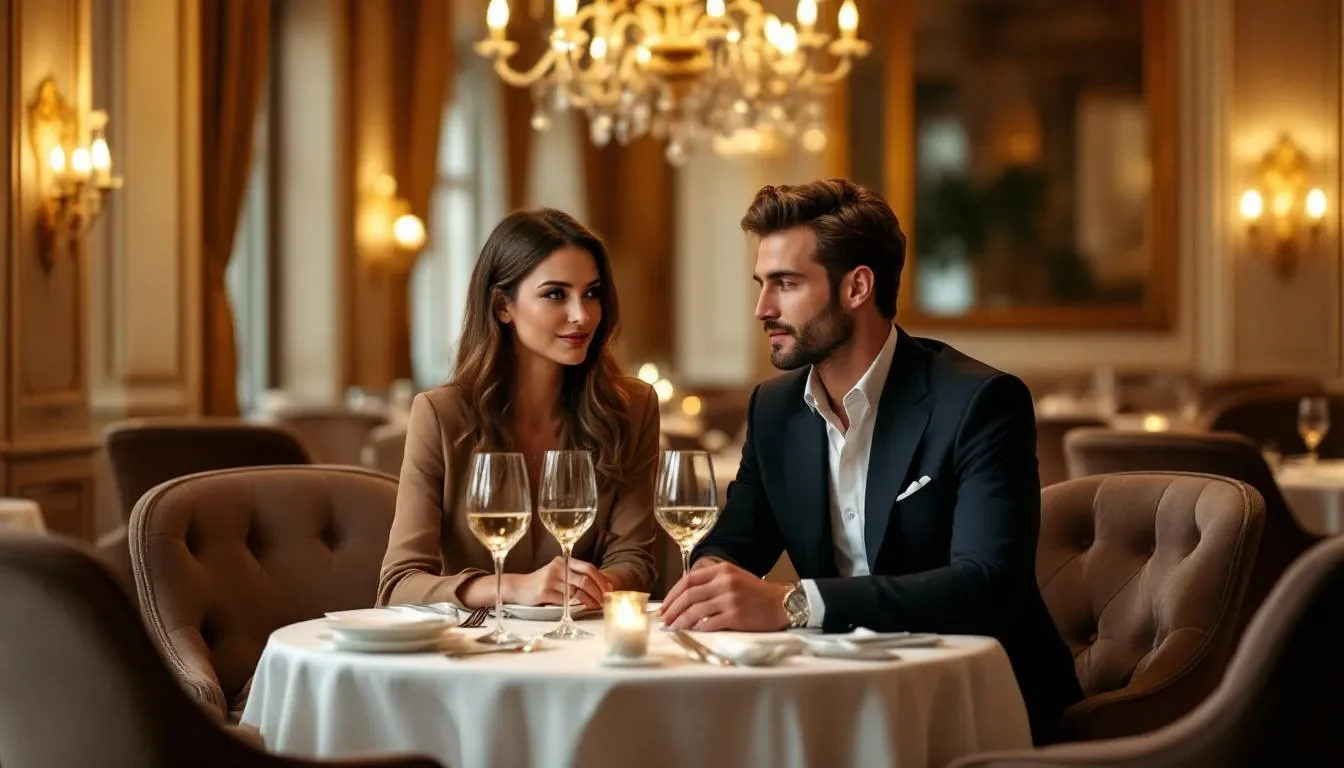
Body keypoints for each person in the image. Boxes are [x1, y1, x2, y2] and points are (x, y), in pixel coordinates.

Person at [658, 179, 1082, 743]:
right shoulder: (775, 409)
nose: (763, 308)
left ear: (857, 286)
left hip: (976, 704)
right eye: (762, 284)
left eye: (785, 284)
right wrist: (711, 579)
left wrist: (795, 602)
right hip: (836, 696)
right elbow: (733, 544)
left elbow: (985, 586)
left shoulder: (979, 402)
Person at [378, 208, 658, 611]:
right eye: (556, 294)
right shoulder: (441, 415)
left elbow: (634, 561)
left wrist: (591, 586)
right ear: (501, 306)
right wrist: (510, 588)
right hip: (475, 652)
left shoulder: (632, 407)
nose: (582, 314)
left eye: (592, 293)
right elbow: (398, 585)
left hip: (584, 643)